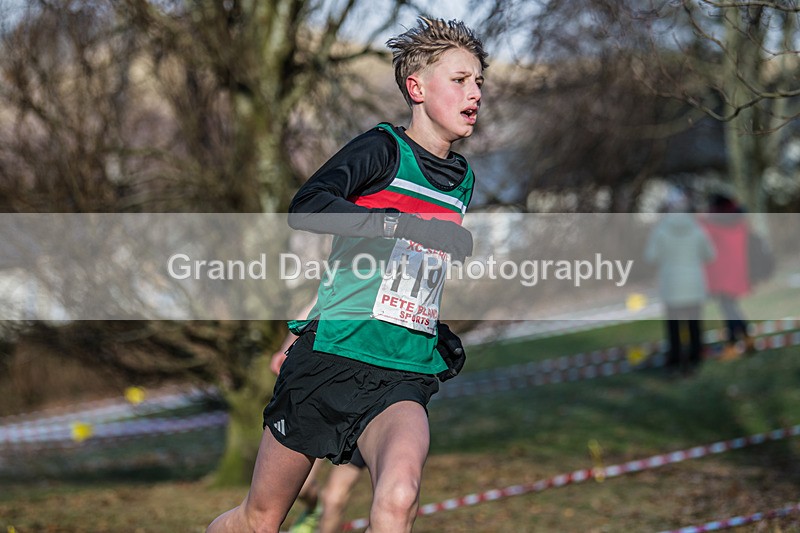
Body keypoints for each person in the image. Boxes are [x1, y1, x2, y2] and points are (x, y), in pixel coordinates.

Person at [208, 16, 485, 533]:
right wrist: (399, 224)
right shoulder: (382, 150)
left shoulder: (462, 180)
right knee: (260, 520)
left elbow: (402, 274)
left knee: (398, 497)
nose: (474, 93)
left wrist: (428, 326)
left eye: (478, 82)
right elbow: (306, 207)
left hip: (401, 371)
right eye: (460, 79)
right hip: (331, 359)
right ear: (417, 87)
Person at [645, 191, 715, 375]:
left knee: (674, 327)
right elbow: (710, 255)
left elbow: (651, 257)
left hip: (671, 284)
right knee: (694, 325)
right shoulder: (697, 228)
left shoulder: (660, 230)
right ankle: (695, 358)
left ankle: (675, 360)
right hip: (694, 283)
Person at [699, 193, 754, 360]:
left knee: (728, 309)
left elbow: (703, 229)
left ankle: (731, 345)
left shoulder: (713, 225)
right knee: (732, 307)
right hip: (737, 271)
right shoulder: (740, 223)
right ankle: (747, 338)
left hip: (721, 274)